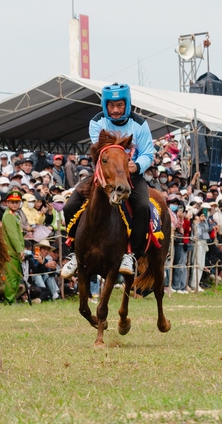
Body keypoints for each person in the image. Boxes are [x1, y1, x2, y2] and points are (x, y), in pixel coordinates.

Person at [61, 83, 154, 278]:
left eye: (120, 105)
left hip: (132, 175)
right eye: (111, 106)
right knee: (70, 206)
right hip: (103, 176)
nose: (115, 110)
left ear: (127, 104)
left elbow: (148, 153)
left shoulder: (140, 124)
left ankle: (133, 255)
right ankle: (74, 253)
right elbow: (100, 152)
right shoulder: (97, 122)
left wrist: (136, 166)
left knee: (143, 206)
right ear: (105, 105)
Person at [0, 189, 25, 304]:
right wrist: (20, 250)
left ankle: (12, 299)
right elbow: (13, 236)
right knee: (11, 278)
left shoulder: (14, 215)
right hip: (11, 251)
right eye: (12, 202)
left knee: (16, 276)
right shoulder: (9, 216)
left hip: (15, 252)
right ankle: (9, 301)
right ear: (7, 203)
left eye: (17, 202)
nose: (15, 204)